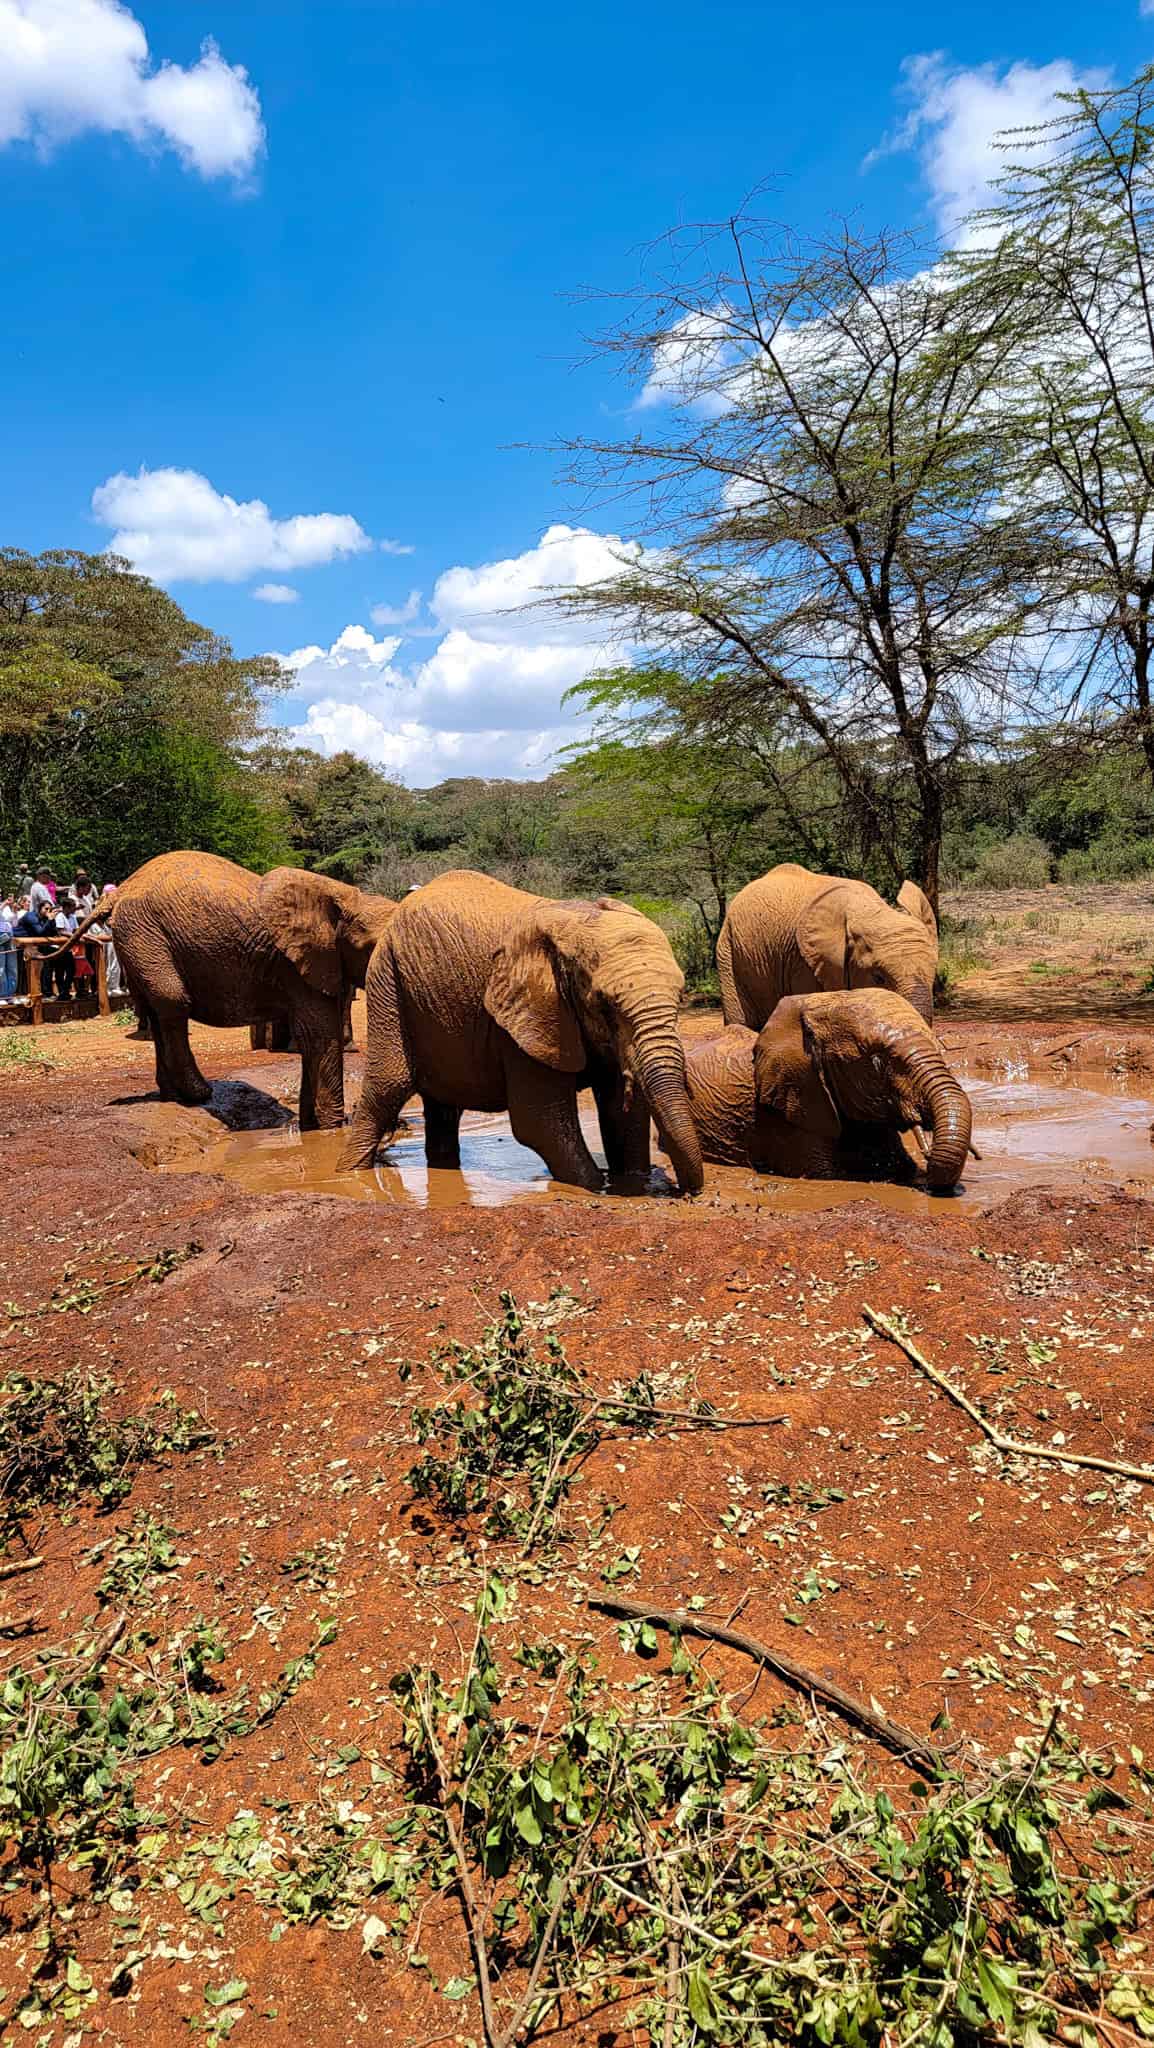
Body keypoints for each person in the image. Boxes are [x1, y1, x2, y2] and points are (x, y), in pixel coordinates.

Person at [0, 896, 16, 1003]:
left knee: (12, 967)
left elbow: (15, 923)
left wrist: (14, 910)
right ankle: (2, 995)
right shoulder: (3, 905)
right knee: (1, 968)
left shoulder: (6, 907)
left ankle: (10, 994)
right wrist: (3, 905)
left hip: (9, 936)